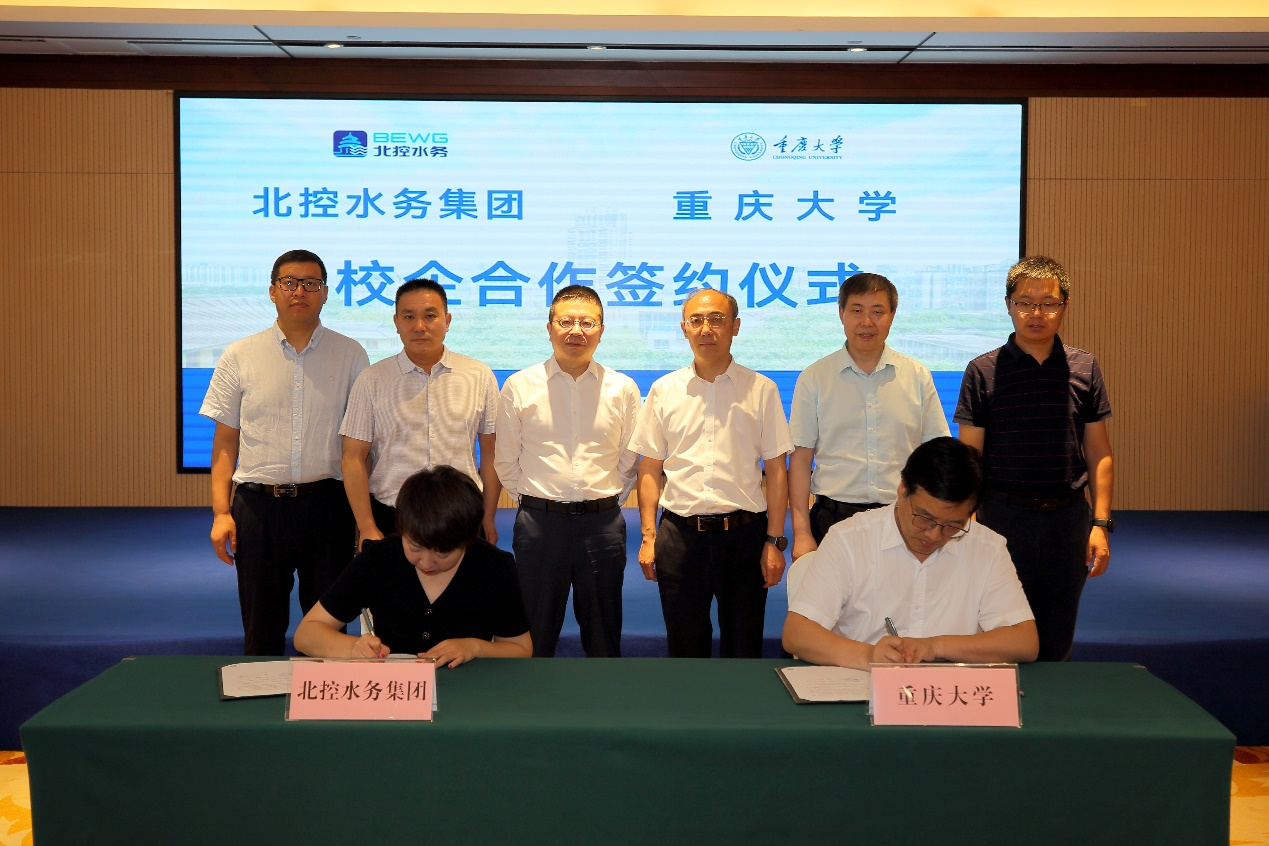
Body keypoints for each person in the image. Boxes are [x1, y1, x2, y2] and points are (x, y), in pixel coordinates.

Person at [200, 249, 369, 655]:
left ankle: (327, 697)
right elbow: (225, 442)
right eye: (289, 282)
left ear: (325, 293)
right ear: (273, 291)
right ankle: (261, 695)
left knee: (328, 629)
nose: (300, 291)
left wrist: (364, 519)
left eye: (311, 283)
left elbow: (363, 445)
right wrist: (221, 513)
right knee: (261, 628)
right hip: (258, 509)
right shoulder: (240, 355)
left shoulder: (351, 354)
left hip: (329, 507)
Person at [954, 255, 1114, 662]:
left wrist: (1099, 524)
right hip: (1002, 517)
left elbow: (1099, 452)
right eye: (1025, 303)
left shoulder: (1085, 367)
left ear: (1065, 305)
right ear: (1008, 305)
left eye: (1048, 303)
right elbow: (970, 456)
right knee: (999, 634)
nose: (1036, 313)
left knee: (1057, 638)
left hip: (1068, 520)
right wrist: (967, 520)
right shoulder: (982, 370)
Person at [629, 288, 793, 658]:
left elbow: (776, 471)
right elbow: (650, 468)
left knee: (743, 646)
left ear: (735, 326)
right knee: (685, 649)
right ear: (684, 329)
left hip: (744, 537)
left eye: (717, 319)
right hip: (679, 536)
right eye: (697, 320)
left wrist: (774, 541)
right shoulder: (664, 390)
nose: (706, 329)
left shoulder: (762, 390)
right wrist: (649, 536)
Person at [782, 437, 1038, 669]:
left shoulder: (987, 547)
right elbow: (797, 633)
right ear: (902, 489)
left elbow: (1024, 642)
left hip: (949, 695)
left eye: (953, 526)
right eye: (924, 518)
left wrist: (935, 646)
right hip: (863, 690)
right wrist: (869, 655)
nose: (934, 535)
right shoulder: (850, 539)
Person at [494, 285, 641, 658]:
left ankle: (604, 694)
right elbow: (506, 460)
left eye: (587, 323)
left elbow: (630, 458)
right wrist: (538, 499)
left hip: (603, 524)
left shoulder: (622, 388)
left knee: (603, 633)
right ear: (549, 328)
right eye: (566, 322)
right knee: (535, 631)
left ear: (601, 330)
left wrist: (604, 499)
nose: (576, 331)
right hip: (539, 525)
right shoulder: (519, 385)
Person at [294, 465, 532, 667]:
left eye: (443, 553)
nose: (426, 563)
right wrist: (353, 647)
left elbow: (521, 649)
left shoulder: (494, 566)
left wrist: (475, 647)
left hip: (469, 692)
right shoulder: (380, 558)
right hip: (397, 692)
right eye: (414, 547)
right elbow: (306, 634)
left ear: (467, 540)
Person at [788, 273, 949, 562]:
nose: (866, 322)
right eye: (856, 310)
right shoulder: (814, 378)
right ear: (841, 313)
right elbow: (800, 461)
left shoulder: (916, 376)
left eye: (877, 311)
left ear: (892, 315)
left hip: (904, 521)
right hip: (833, 521)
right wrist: (801, 532)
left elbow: (937, 454)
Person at [339, 278, 501, 549]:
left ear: (447, 321)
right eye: (409, 317)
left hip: (463, 516)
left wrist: (488, 515)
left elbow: (491, 452)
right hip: (392, 517)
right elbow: (353, 457)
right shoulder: (372, 380)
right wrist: (367, 526)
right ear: (396, 322)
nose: (419, 326)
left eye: (430, 316)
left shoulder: (479, 375)